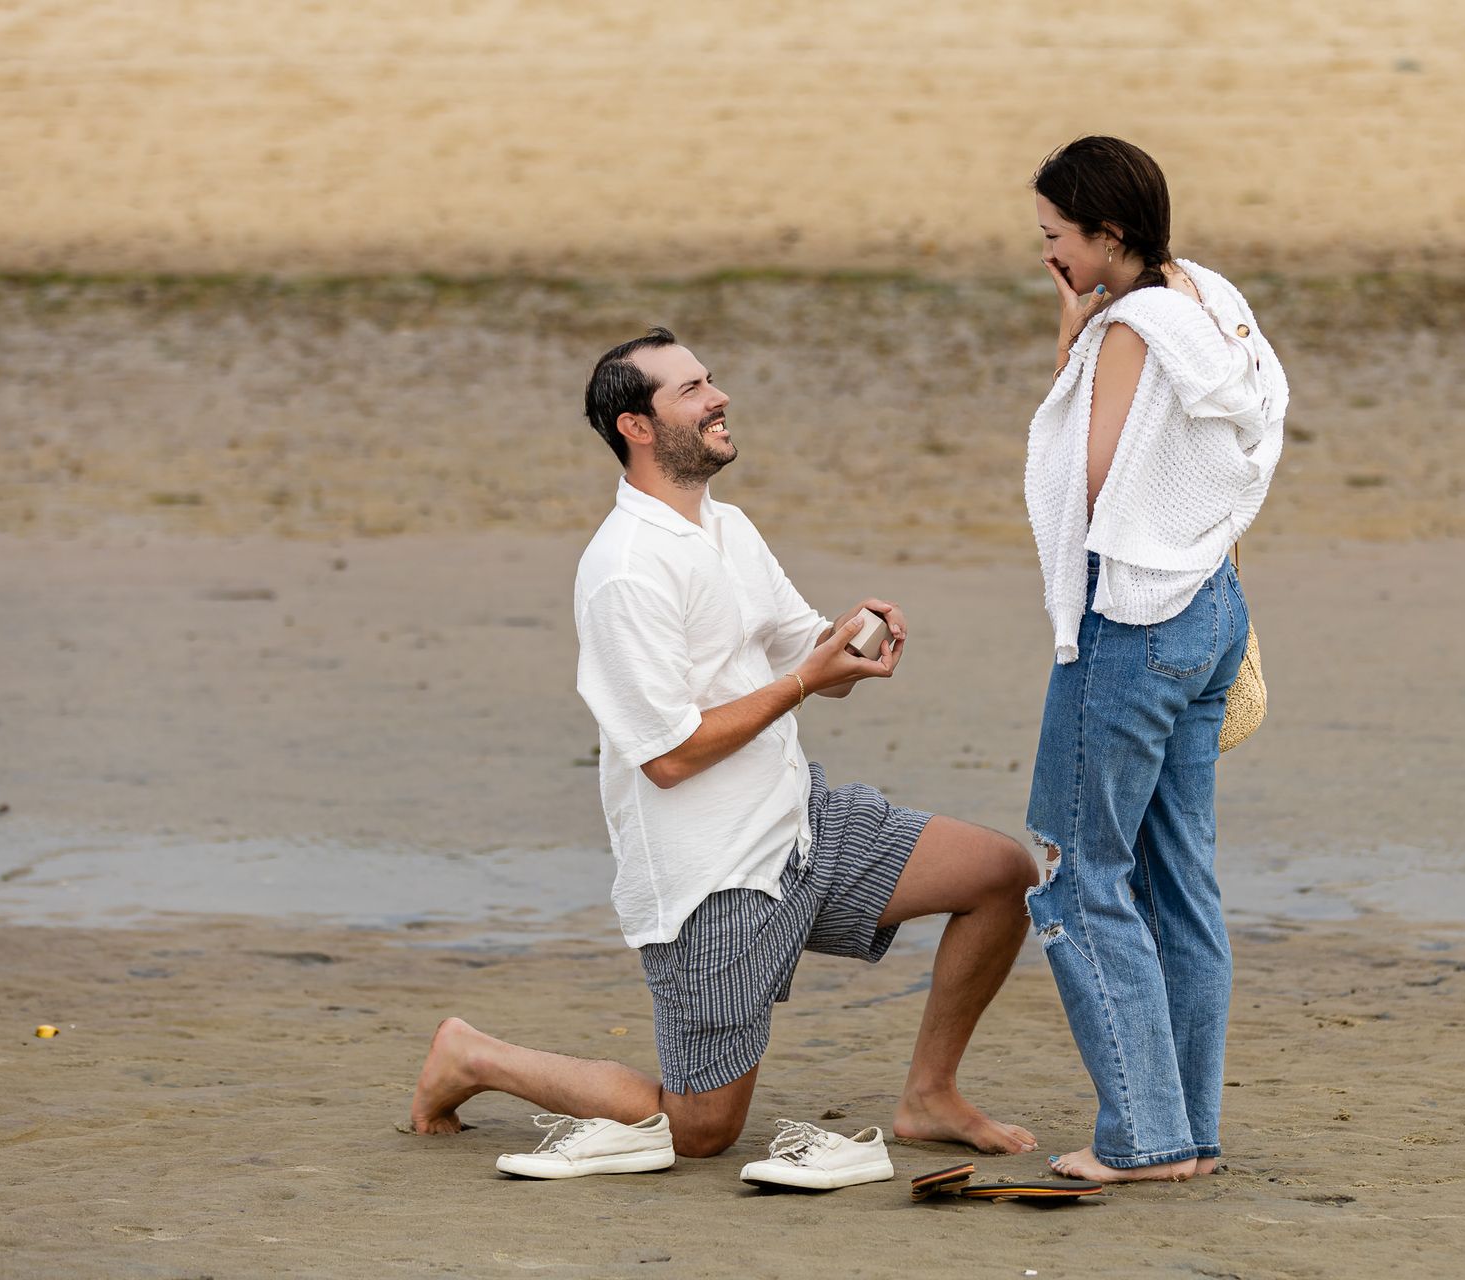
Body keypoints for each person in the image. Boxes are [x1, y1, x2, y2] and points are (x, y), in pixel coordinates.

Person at [409, 328, 1039, 1163]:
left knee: (1002, 875)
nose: (719, 398)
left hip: (798, 824)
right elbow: (668, 758)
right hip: (711, 880)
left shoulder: (725, 527)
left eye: (712, 380)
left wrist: (852, 641)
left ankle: (930, 1097)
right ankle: (473, 1054)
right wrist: (806, 682)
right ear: (636, 427)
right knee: (700, 1132)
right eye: (691, 390)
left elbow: (801, 652)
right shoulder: (625, 568)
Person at [1021, 137, 1288, 1183]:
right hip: (1212, 603)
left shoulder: (1128, 329)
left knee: (1075, 873)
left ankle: (1145, 1136)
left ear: (1110, 234)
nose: (1046, 253)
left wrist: (1073, 338)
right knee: (1180, 877)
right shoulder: (1207, 296)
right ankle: (1191, 1127)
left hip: (1132, 622)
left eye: (1057, 237)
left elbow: (1086, 483)